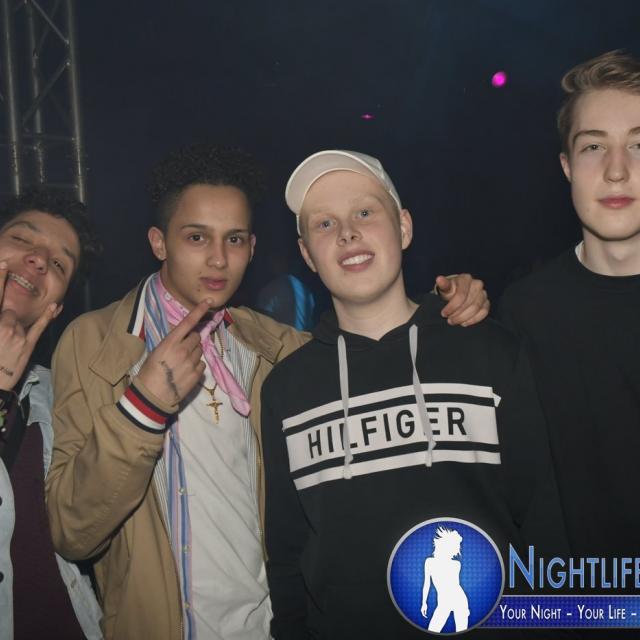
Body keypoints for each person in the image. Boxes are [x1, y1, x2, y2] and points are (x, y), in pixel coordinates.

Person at [46, 144, 489, 640]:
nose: (219, 258)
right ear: (159, 242)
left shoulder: (275, 347)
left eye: (234, 239)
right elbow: (73, 532)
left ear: (252, 248)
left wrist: (445, 308)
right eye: (197, 237)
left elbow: (373, 350)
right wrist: (143, 408)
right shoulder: (93, 344)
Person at [261, 150, 567, 639]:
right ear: (307, 255)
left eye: (365, 212)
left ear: (403, 227)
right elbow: (286, 554)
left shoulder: (488, 351)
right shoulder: (286, 391)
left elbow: (545, 520)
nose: (347, 233)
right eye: (324, 223)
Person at [498, 50, 640, 564]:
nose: (617, 171)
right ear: (566, 167)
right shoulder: (524, 313)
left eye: (639, 145)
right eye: (594, 147)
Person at [0, 189, 102, 639]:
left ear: (55, 306)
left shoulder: (56, 395)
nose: (39, 260)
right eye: (22, 239)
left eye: (60, 264)